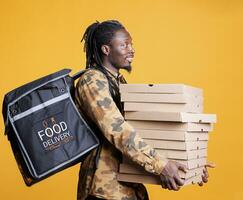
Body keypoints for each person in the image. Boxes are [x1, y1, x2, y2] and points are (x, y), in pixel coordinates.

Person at [74, 20, 214, 200]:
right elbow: (116, 129)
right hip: (104, 189)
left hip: (130, 187)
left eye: (131, 44)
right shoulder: (92, 80)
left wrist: (191, 164)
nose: (131, 49)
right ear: (106, 49)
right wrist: (160, 165)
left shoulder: (118, 83)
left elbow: (144, 131)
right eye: (124, 44)